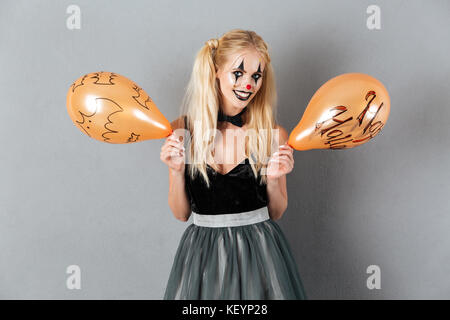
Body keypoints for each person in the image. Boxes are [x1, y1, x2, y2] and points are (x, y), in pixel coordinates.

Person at [160, 29, 307, 299]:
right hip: (202, 255)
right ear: (215, 71)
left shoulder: (272, 134)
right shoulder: (183, 130)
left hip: (260, 253)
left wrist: (274, 178)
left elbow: (276, 212)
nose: (248, 84)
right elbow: (181, 214)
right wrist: (176, 170)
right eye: (238, 73)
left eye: (256, 76)